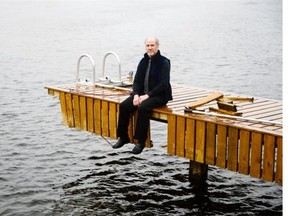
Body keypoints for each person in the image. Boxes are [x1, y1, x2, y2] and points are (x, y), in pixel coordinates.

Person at [112, 36, 173, 154]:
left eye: (152, 45)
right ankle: (123, 137)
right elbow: (137, 81)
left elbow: (164, 84)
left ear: (157, 46)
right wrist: (135, 95)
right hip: (142, 94)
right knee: (124, 106)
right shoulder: (143, 61)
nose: (150, 48)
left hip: (159, 95)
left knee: (143, 107)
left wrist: (147, 95)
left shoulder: (164, 62)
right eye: (148, 46)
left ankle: (141, 142)